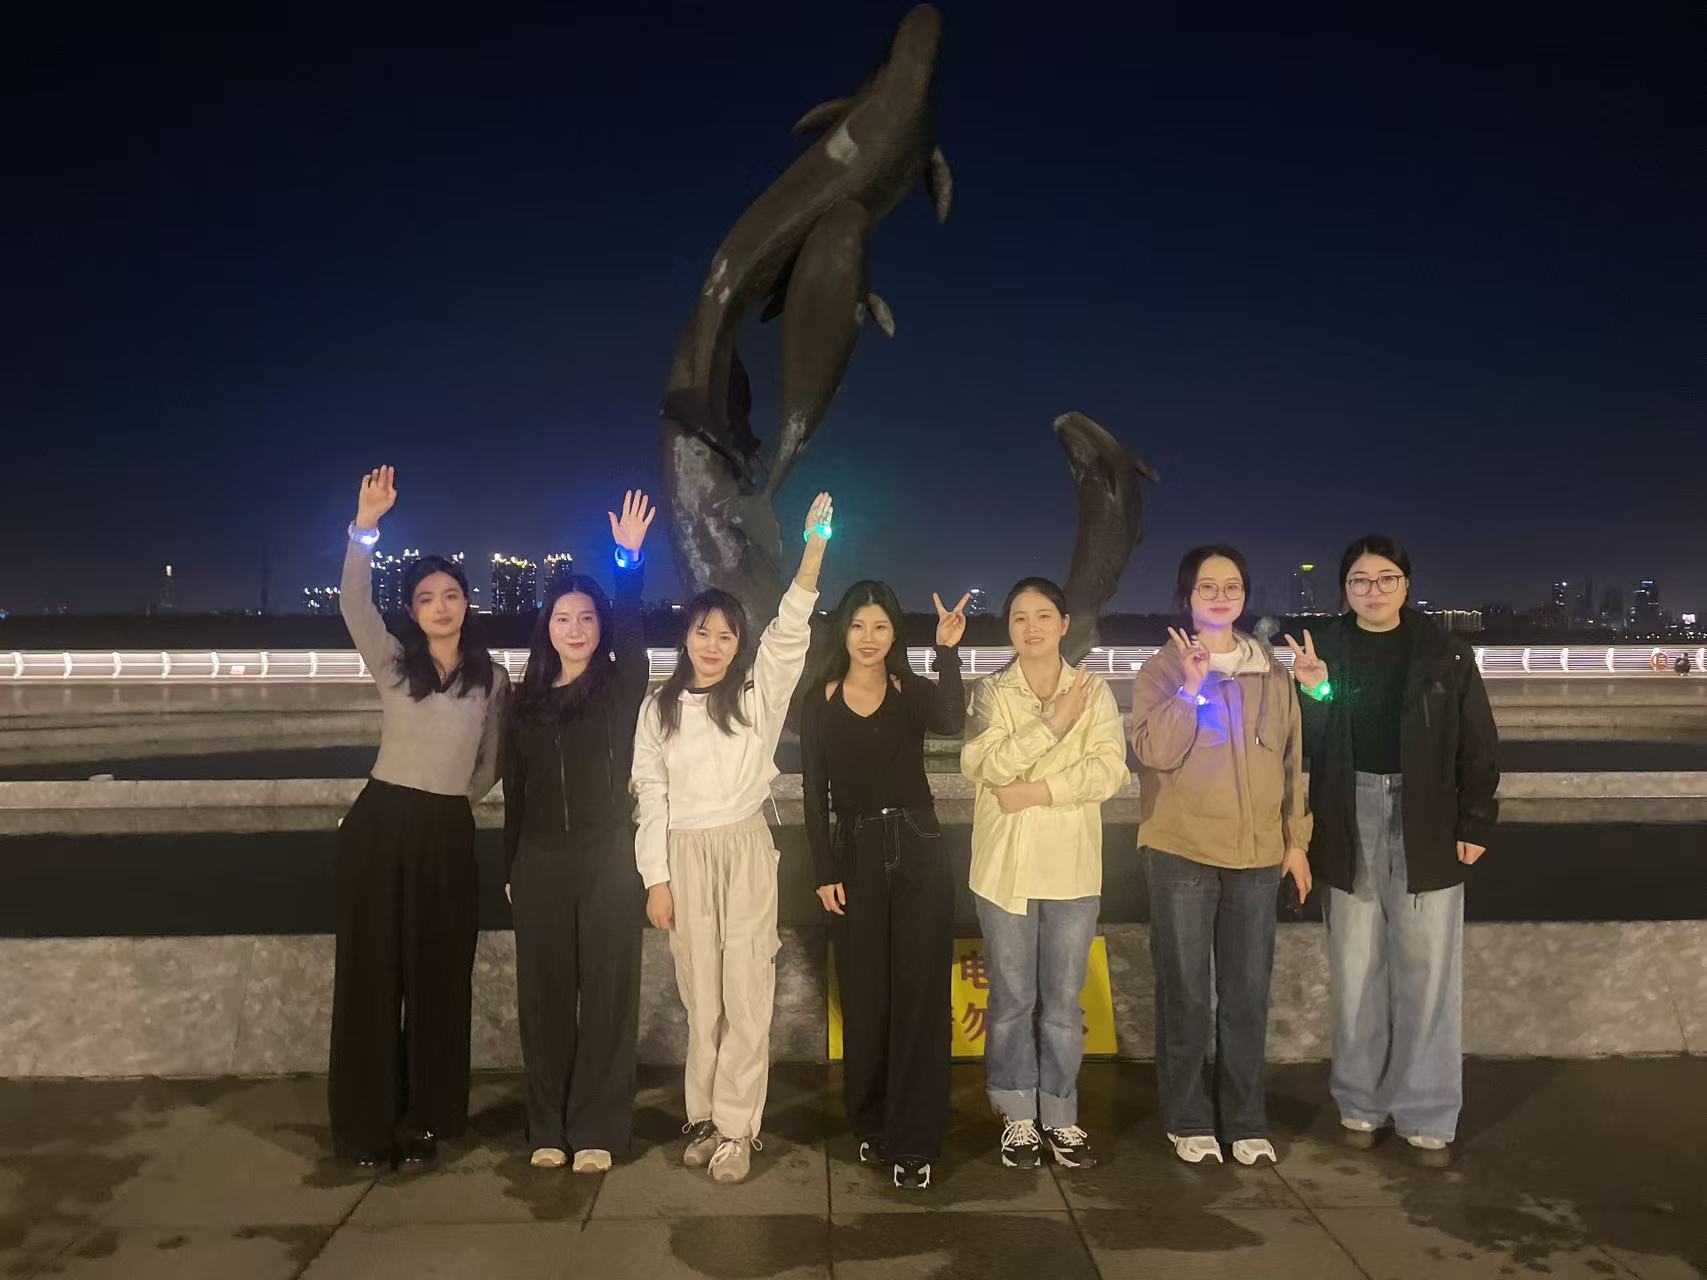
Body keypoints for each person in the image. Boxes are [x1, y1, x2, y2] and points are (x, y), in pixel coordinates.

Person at [630, 493, 835, 1185]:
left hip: (743, 849)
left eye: (725, 635)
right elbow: (651, 795)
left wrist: (813, 550)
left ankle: (738, 1128)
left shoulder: (755, 699)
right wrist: (657, 879)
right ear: (685, 639)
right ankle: (704, 1116)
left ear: (738, 644)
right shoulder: (657, 709)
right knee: (702, 999)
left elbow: (789, 634)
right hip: (684, 855)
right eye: (702, 632)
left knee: (747, 992)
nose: (712, 645)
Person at [1286, 534, 1499, 1163]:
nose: (1372, 590)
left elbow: (1478, 742)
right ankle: (1360, 1101)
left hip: (1426, 813)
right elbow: (1309, 744)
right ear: (1344, 589)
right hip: (1346, 810)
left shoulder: (1444, 652)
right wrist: (1314, 690)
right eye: (1359, 580)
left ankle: (1427, 1110)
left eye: (1385, 579)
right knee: (1355, 967)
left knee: (1429, 971)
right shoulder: (1325, 646)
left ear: (1406, 585)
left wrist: (1476, 821)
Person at [330, 466, 509, 1168]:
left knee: (440, 977)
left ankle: (430, 1118)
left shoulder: (490, 679)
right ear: (412, 608)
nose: (441, 607)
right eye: (427, 598)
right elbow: (353, 602)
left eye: (452, 595)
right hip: (380, 825)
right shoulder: (394, 661)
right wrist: (365, 529)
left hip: (446, 832)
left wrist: (452, 801)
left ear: (467, 604)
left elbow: (492, 762)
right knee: (372, 975)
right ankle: (367, 1127)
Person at [1131, 547, 1311, 1167]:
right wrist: (1191, 686)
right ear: (1187, 596)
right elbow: (1154, 752)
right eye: (1206, 586)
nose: (1219, 595)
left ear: (1244, 595)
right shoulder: (1161, 668)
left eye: (1231, 585)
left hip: (1258, 853)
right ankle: (1186, 1117)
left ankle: (1245, 1119)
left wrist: (1296, 842)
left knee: (1247, 992)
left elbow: (1292, 762)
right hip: (1181, 849)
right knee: (1185, 991)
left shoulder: (1271, 672)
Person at [502, 491, 655, 1174]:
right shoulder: (523, 703)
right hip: (539, 860)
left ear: (600, 627)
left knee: (609, 995)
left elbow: (633, 629)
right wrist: (510, 865)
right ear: (547, 628)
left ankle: (598, 1128)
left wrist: (628, 563)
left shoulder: (621, 689)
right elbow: (514, 792)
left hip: (607, 858)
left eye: (587, 618)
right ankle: (547, 1126)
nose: (575, 628)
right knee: (544, 999)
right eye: (563, 618)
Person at [801, 581, 970, 1191]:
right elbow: (814, 794)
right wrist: (824, 872)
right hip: (855, 854)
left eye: (880, 626)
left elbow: (952, 720)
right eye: (857, 626)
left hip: (919, 846)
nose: (868, 638)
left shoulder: (907, 690)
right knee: (865, 994)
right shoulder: (819, 700)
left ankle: (916, 1140)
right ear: (842, 632)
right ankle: (871, 1120)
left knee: (921, 996)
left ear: (895, 632)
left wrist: (946, 652)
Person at [960, 577, 1129, 1171]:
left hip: (1073, 870)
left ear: (1063, 625)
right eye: (1018, 618)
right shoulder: (990, 692)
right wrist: (1053, 725)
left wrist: (1036, 790)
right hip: (1004, 870)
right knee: (1010, 1000)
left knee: (1061, 1003)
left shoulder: (1095, 691)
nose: (1030, 627)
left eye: (1041, 616)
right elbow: (981, 764)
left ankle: (1060, 1112)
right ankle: (1015, 1111)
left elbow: (1110, 772)